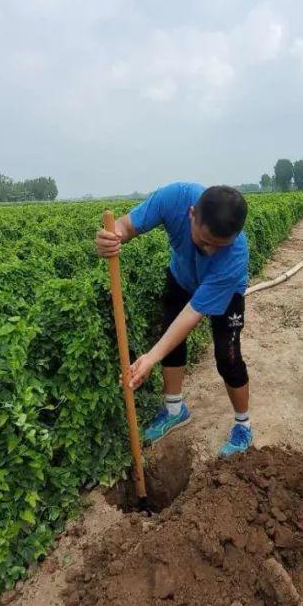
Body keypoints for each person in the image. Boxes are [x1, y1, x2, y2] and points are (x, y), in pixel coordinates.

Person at [95, 182, 253, 457]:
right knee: (171, 337)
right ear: (191, 214)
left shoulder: (235, 256)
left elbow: (192, 315)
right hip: (182, 276)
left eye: (220, 246)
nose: (210, 251)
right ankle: (174, 409)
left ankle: (243, 424)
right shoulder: (174, 198)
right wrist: (113, 237)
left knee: (228, 357)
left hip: (227, 293)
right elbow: (127, 226)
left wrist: (150, 357)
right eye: (204, 241)